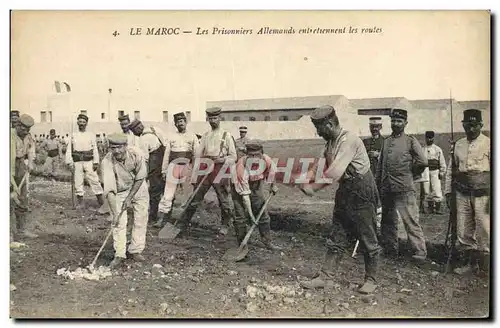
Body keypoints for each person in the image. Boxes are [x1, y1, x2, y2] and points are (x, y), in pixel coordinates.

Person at [298, 105, 381, 294]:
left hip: (362, 189)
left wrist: (313, 188)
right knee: (337, 234)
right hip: (346, 189)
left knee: (367, 235)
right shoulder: (329, 143)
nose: (318, 133)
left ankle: (371, 279)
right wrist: (304, 178)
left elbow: (334, 172)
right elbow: (319, 166)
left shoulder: (348, 140)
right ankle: (326, 277)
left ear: (328, 124)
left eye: (319, 129)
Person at [376, 109, 428, 262]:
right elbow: (380, 166)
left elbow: (423, 162)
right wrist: (379, 184)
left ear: (405, 123)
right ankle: (389, 248)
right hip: (387, 188)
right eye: (393, 121)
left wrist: (410, 173)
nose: (395, 124)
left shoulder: (410, 141)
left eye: (399, 121)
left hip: (404, 187)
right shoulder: (386, 142)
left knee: (410, 219)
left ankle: (420, 252)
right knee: (387, 219)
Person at [445, 109, 490, 277]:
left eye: (474, 126)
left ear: (480, 125)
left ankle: (487, 267)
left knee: (485, 229)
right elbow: (451, 169)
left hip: (484, 195)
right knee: (463, 230)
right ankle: (469, 265)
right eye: (467, 126)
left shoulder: (489, 143)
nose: (470, 130)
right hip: (462, 193)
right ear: (463, 125)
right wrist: (448, 192)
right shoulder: (458, 145)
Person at [179, 107, 237, 236]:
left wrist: (222, 159)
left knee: (223, 198)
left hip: (220, 168)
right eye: (210, 118)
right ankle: (183, 223)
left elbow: (234, 157)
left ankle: (225, 224)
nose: (213, 121)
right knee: (196, 196)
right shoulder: (205, 135)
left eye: (215, 118)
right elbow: (198, 155)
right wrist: (195, 174)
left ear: (220, 118)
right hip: (205, 168)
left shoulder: (226, 136)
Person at [101, 133, 149, 268]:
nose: (117, 151)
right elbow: (110, 190)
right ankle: (119, 254)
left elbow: (140, 177)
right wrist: (115, 213)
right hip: (120, 190)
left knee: (140, 218)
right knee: (118, 222)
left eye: (120, 147)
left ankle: (136, 250)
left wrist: (130, 198)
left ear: (126, 146)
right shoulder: (107, 162)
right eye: (113, 148)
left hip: (138, 187)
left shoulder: (136, 154)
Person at [231, 140, 280, 254]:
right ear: (246, 155)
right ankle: (242, 243)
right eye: (251, 155)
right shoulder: (241, 166)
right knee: (241, 216)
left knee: (263, 214)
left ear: (261, 153)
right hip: (239, 189)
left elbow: (272, 173)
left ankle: (267, 241)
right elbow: (245, 197)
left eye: (257, 155)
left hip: (256, 185)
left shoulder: (266, 160)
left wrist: (273, 186)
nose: (254, 158)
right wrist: (252, 216)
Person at [155, 112, 199, 228]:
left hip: (187, 167)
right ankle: (162, 219)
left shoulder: (192, 136)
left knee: (187, 195)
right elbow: (167, 154)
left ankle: (184, 221)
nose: (180, 124)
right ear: (175, 124)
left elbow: (196, 155)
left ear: (186, 122)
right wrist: (164, 170)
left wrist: (194, 172)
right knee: (168, 194)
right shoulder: (171, 136)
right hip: (173, 167)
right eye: (178, 122)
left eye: (182, 121)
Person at [65, 113, 108, 213]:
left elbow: (95, 149)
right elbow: (69, 150)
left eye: (83, 122)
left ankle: (101, 202)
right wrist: (69, 162)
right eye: (80, 122)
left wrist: (96, 162)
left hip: (89, 161)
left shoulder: (91, 135)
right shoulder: (73, 135)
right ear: (77, 123)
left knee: (94, 180)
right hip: (77, 162)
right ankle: (80, 203)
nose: (82, 124)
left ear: (86, 123)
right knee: (78, 181)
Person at [128, 119, 166, 224]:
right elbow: (165, 143)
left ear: (138, 128)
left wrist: (142, 173)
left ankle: (153, 216)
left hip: (155, 164)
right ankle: (165, 215)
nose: (135, 134)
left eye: (134, 131)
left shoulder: (143, 140)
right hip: (164, 161)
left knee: (154, 191)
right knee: (164, 189)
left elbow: (145, 158)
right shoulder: (155, 129)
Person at [11, 114, 38, 239]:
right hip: (8, 165)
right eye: (24, 128)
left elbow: (31, 149)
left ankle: (21, 230)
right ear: (18, 125)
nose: (26, 131)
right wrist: (11, 182)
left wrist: (30, 163)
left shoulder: (28, 136)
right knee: (10, 198)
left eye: (28, 129)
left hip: (20, 165)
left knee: (22, 198)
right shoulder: (9, 136)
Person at [422, 131, 446, 214]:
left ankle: (438, 209)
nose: (429, 139)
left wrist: (442, 171)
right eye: (428, 138)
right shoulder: (423, 149)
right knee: (427, 190)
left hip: (435, 171)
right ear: (425, 138)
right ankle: (430, 208)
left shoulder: (437, 149)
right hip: (426, 171)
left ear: (433, 138)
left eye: (431, 138)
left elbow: (442, 162)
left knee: (436, 189)